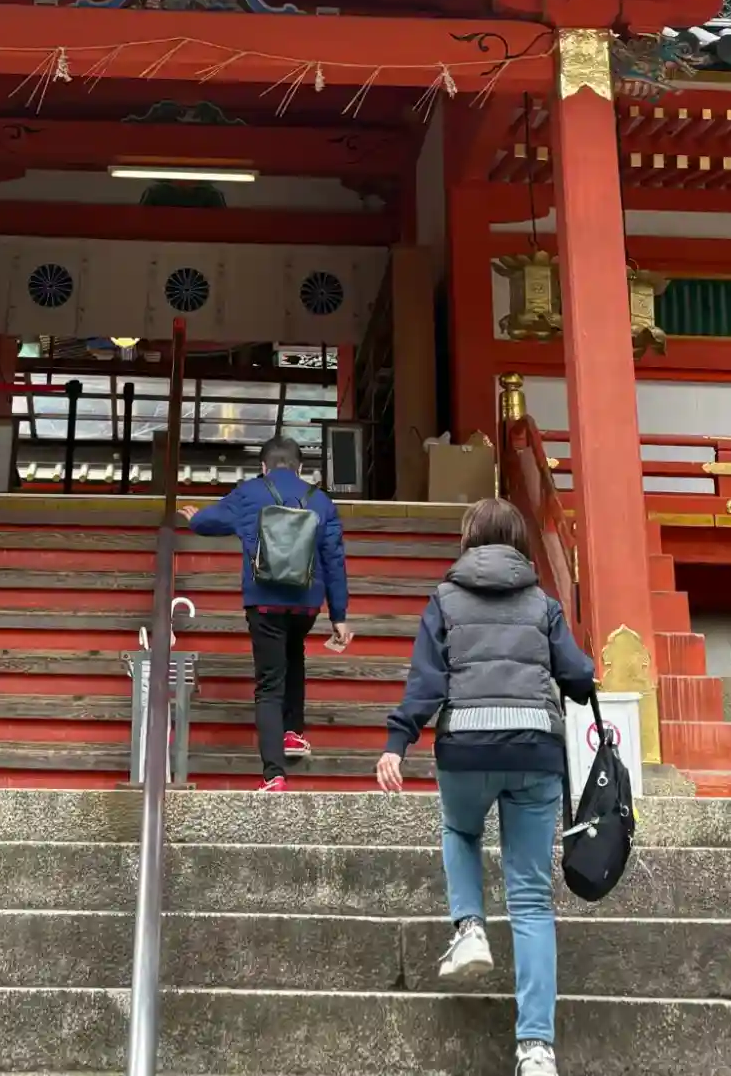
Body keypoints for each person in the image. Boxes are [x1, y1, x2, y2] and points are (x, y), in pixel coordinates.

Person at [376, 495, 594, 1076]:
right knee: (531, 899)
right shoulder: (543, 604)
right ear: (520, 543)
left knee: (460, 829)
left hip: (466, 746)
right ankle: (536, 1050)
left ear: (469, 540)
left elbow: (426, 682)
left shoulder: (444, 600)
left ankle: (470, 926)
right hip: (534, 750)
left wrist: (397, 742)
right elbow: (578, 677)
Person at [188, 434, 351, 789]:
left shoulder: (249, 493)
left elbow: (207, 523)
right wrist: (338, 615)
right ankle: (293, 732)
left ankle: (274, 773)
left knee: (269, 685)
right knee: (295, 654)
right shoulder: (321, 501)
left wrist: (194, 516)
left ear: (263, 467)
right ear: (300, 468)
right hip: (306, 604)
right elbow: (334, 560)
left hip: (264, 601)